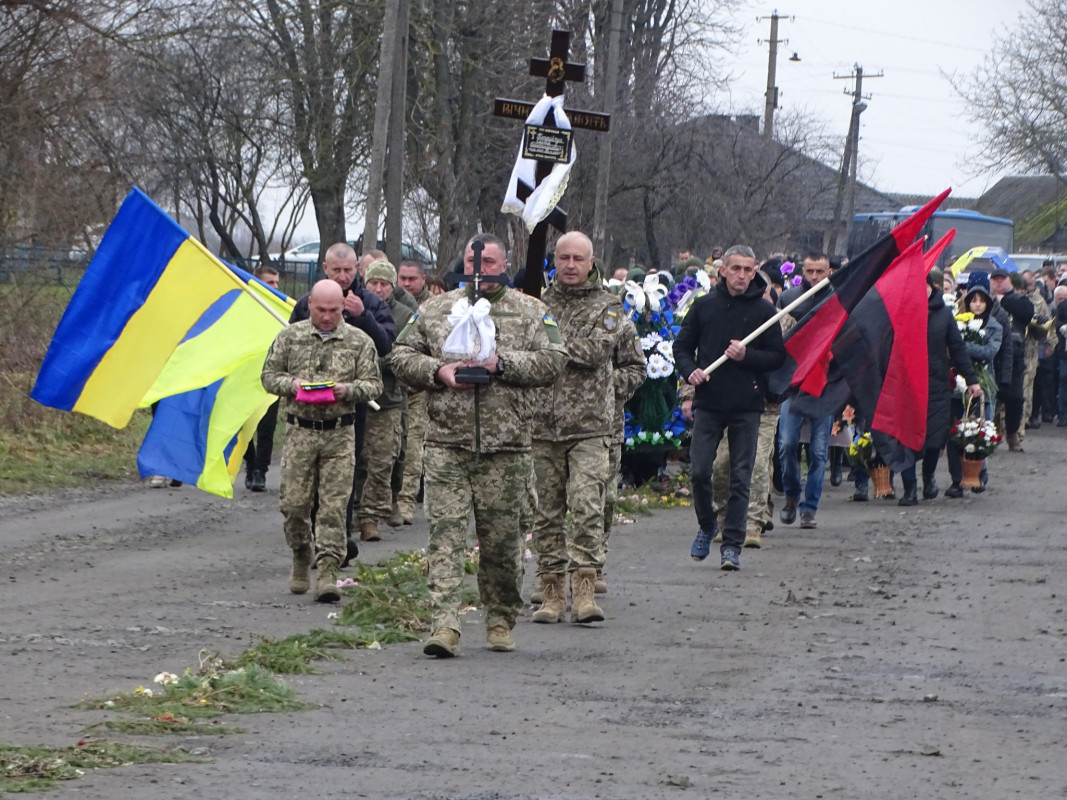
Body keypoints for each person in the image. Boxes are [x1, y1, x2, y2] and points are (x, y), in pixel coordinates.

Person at [389, 233, 568, 657]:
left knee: (503, 543)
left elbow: (555, 360)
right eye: (473, 260)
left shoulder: (529, 310)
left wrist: (501, 363)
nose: (479, 269)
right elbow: (400, 356)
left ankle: (501, 617)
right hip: (447, 444)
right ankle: (445, 624)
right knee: (445, 538)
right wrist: (439, 371)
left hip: (506, 448)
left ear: (504, 263)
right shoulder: (435, 309)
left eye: (488, 261)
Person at [528, 231, 645, 625]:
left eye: (579, 258)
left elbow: (601, 353)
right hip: (542, 426)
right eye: (564, 258)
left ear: (592, 262)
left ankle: (584, 588)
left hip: (592, 427)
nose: (571, 265)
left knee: (587, 506)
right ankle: (550, 591)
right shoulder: (536, 304)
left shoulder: (608, 307)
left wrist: (609, 390)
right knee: (546, 513)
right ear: (555, 261)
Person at [261, 280, 384, 601]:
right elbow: (267, 377)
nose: (327, 317)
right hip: (301, 431)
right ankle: (301, 552)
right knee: (294, 505)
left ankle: (328, 571)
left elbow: (374, 385)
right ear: (310, 306)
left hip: (339, 434)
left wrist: (349, 390)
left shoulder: (359, 341)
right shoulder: (290, 337)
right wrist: (293, 384)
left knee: (333, 507)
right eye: (321, 310)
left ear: (343, 307)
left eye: (333, 310)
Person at [673, 245, 785, 570]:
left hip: (748, 405)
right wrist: (689, 370)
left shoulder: (765, 313)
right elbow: (682, 345)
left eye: (748, 270)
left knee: (741, 475)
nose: (742, 276)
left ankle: (732, 544)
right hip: (709, 400)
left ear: (755, 273)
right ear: (722, 270)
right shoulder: (705, 306)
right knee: (699, 471)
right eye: (736, 268)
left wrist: (747, 356)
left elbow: (777, 357)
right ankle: (708, 524)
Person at [289, 242, 396, 561]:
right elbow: (289, 344)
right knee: (307, 478)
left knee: (345, 472)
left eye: (349, 270)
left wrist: (363, 318)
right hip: (307, 405)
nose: (343, 276)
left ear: (358, 270)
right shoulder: (307, 303)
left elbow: (387, 346)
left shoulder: (371, 303)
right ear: (325, 268)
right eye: (336, 270)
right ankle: (310, 535)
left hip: (351, 405)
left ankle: (337, 539)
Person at [898, 268, 982, 505]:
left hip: (936, 385)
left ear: (930, 288)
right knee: (907, 439)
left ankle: (928, 477)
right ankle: (910, 489)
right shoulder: (901, 312)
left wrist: (973, 380)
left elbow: (957, 349)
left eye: (922, 288)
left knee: (934, 439)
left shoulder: (944, 315)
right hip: (906, 385)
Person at [777, 252, 835, 529]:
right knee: (787, 443)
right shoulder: (789, 299)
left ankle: (809, 507)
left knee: (819, 450)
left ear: (829, 272)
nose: (814, 277)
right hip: (793, 384)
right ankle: (790, 495)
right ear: (803, 271)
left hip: (825, 384)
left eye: (820, 272)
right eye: (810, 271)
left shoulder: (839, 297)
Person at [356, 259, 413, 541]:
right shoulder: (354, 308)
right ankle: (354, 511)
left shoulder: (403, 314)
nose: (378, 289)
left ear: (393, 287)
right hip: (355, 398)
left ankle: (371, 516)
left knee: (383, 461)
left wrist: (368, 361)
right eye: (373, 283)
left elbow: (405, 353)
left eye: (384, 284)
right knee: (357, 461)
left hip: (387, 397)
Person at [944, 276, 1003, 497]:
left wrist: (962, 346)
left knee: (978, 431)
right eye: (973, 300)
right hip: (957, 384)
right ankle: (956, 479)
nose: (977, 304)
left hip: (983, 386)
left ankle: (978, 474)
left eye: (981, 300)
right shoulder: (958, 322)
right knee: (955, 431)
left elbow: (989, 352)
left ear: (988, 303)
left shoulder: (994, 326)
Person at [394, 259, 433, 526]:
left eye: (412, 279)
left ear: (423, 280)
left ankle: (406, 501)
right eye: (403, 278)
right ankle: (388, 497)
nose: (407, 284)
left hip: (420, 387)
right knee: (391, 447)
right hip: (394, 387)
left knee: (413, 446)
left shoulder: (432, 308)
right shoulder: (389, 304)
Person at [243, 265, 283, 492]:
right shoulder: (247, 309)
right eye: (270, 283)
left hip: (272, 377)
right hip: (247, 378)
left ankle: (261, 471)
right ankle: (250, 464)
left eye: (277, 282)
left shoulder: (280, 311)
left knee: (267, 426)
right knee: (246, 424)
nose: (275, 287)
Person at [989, 268, 1033, 451]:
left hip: (1014, 358)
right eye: (995, 279)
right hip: (991, 356)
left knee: (1014, 400)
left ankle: (1012, 436)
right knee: (988, 400)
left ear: (1009, 281)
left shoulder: (1019, 300)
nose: (999, 282)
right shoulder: (983, 299)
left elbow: (1027, 312)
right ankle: (986, 437)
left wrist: (1004, 300)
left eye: (1002, 279)